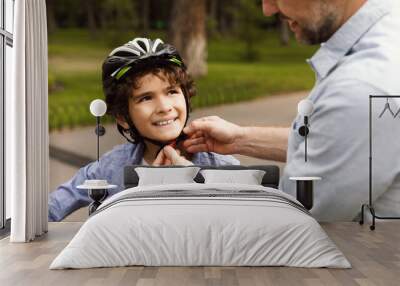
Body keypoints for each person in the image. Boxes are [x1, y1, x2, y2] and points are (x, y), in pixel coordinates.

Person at [177, 0, 400, 221]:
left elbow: (287, 225)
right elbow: (337, 140)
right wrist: (240, 139)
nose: (268, 10)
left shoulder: (360, 90)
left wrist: (197, 183)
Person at [48, 38, 239, 222]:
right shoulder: (110, 167)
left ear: (186, 97)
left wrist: (197, 185)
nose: (164, 107)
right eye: (146, 98)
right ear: (123, 118)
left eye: (172, 91)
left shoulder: (222, 166)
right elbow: (50, 208)